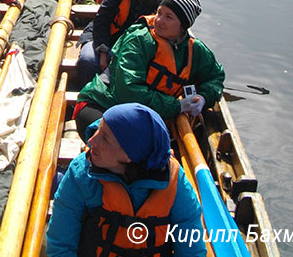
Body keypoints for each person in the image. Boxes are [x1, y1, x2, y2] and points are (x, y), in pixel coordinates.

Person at [46, 103, 206, 257]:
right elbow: (61, 244)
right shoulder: (81, 173)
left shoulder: (174, 183)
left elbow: (191, 249)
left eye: (105, 138)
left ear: (130, 156)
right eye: (98, 131)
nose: (91, 141)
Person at [74, 0, 225, 134]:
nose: (159, 21)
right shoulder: (139, 39)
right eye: (159, 13)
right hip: (102, 105)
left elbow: (215, 77)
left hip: (146, 116)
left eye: (169, 17)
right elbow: (128, 91)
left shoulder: (195, 49)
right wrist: (176, 106)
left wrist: (203, 98)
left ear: (182, 26)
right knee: (124, 148)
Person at [76, 0, 168, 87]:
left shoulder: (161, 3)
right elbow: (102, 20)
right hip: (101, 37)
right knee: (88, 60)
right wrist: (103, 51)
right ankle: (85, 97)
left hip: (131, 47)